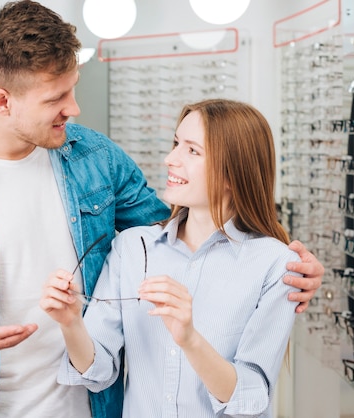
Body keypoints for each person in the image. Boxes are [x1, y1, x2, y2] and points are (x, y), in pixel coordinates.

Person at [0, 2, 323, 417]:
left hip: (94, 404)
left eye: (73, 88)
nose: (74, 108)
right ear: (1, 100)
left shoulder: (97, 158)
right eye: (55, 98)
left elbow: (183, 233)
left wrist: (280, 262)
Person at [41, 98, 304, 417]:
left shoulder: (276, 265)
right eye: (176, 144)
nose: (170, 159)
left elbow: (249, 397)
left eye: (192, 150)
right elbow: (97, 372)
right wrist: (70, 323)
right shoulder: (133, 247)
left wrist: (189, 338)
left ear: (233, 173)